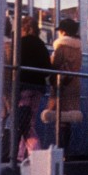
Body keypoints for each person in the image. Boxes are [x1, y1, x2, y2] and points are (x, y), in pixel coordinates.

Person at [15, 14, 51, 162]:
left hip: (23, 87)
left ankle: (36, 156)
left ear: (25, 28)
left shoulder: (21, 43)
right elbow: (47, 68)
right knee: (28, 122)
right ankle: (20, 157)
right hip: (38, 88)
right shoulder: (41, 45)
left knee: (24, 124)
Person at [47, 18, 83, 147]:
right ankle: (65, 149)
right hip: (73, 84)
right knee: (67, 119)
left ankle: (58, 147)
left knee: (58, 117)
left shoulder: (61, 47)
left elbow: (55, 65)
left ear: (63, 32)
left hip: (61, 84)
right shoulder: (78, 48)